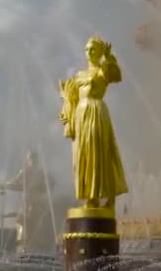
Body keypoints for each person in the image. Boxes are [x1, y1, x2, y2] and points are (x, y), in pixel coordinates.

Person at [59, 36, 128, 210]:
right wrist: (68, 117)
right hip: (80, 116)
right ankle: (91, 197)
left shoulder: (102, 70)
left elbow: (116, 76)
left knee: (99, 154)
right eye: (87, 49)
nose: (89, 52)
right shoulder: (79, 75)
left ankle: (108, 197)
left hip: (96, 112)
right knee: (83, 156)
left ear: (99, 52)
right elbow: (71, 98)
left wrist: (109, 58)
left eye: (93, 49)